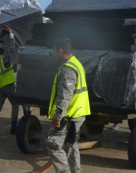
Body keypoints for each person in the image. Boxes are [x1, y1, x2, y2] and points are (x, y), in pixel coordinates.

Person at [46, 38, 91, 173]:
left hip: (68, 115)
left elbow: (65, 95)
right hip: (78, 112)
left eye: (54, 51)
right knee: (71, 145)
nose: (54, 54)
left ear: (60, 50)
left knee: (52, 143)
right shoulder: (76, 63)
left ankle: (64, 171)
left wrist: (58, 116)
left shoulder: (68, 69)